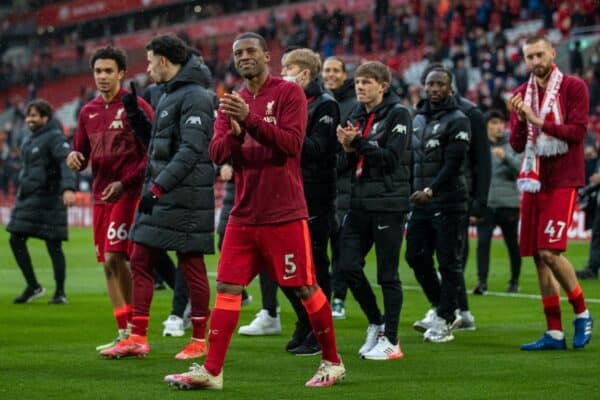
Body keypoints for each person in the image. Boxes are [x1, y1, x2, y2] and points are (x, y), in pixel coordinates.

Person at [164, 32, 345, 390]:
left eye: (251, 51)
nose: (244, 57)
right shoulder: (232, 102)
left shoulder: (289, 93)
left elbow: (292, 146)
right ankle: (213, 371)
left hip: (284, 212)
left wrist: (249, 122)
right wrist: (233, 132)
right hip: (244, 213)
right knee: (228, 286)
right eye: (238, 53)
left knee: (306, 287)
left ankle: (332, 361)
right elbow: (216, 154)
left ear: (266, 56)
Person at [98, 35, 215, 360]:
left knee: (191, 263)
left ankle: (200, 339)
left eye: (150, 61)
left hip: (187, 195)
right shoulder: (169, 94)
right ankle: (137, 337)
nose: (147, 68)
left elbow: (192, 150)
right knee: (139, 259)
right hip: (164, 191)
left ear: (164, 61)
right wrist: (137, 118)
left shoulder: (197, 96)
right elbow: (160, 146)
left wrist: (157, 187)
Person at [66, 46, 154, 351]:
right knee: (107, 263)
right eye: (98, 71)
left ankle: (136, 332)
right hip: (101, 195)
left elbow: (153, 152)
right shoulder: (87, 111)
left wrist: (125, 182)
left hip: (129, 193)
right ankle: (123, 332)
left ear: (121, 73)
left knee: (117, 257)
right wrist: (74, 157)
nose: (102, 77)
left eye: (108, 71)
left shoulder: (135, 105)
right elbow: (80, 151)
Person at [509, 35, 593, 350]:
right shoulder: (520, 94)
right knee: (538, 259)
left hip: (563, 178)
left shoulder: (573, 87)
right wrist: (520, 120)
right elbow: (517, 144)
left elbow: (578, 131)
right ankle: (554, 332)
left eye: (539, 54)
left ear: (552, 53)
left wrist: (537, 120)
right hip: (533, 180)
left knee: (549, 252)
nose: (535, 61)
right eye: (529, 57)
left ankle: (582, 313)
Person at [336, 61, 412, 359]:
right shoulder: (355, 114)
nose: (360, 87)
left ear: (383, 85)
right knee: (347, 266)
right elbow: (344, 166)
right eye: (357, 82)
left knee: (387, 275)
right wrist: (346, 149)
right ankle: (376, 322)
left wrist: (359, 142)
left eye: (367, 82)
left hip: (388, 203)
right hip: (358, 203)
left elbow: (391, 159)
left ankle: (392, 341)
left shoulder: (399, 113)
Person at [279, 48, 340, 355]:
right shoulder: (288, 102)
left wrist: (281, 133)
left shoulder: (325, 105)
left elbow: (316, 148)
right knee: (281, 268)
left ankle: (318, 332)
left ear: (303, 73)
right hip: (288, 193)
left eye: (287, 68)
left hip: (315, 195)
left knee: (315, 266)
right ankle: (305, 320)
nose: (281, 73)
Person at [405, 66, 471, 343]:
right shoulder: (417, 118)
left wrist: (430, 190)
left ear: (449, 87)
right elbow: (411, 159)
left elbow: (453, 163)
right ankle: (442, 306)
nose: (434, 89)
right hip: (421, 201)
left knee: (448, 262)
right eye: (430, 84)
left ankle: (444, 319)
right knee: (415, 256)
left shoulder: (459, 119)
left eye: (440, 84)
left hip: (448, 200)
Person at [8, 99, 77, 304]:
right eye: (28, 115)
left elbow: (67, 162)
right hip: (29, 198)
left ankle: (60, 293)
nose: (30, 119)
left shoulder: (55, 138)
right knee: (15, 239)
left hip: (50, 199)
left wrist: (68, 188)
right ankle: (33, 285)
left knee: (53, 245)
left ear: (45, 118)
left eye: (34, 115)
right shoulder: (29, 140)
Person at [322, 56, 360, 320]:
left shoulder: (354, 106)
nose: (331, 74)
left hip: (344, 184)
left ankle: (339, 298)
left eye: (336, 70)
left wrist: (330, 166)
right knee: (318, 245)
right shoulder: (318, 101)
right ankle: (323, 296)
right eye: (327, 70)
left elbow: (352, 147)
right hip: (321, 184)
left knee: (340, 245)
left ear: (345, 75)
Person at [474, 110, 522, 294]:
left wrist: (506, 157)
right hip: (486, 204)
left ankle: (514, 281)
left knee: (512, 244)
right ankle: (482, 282)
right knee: (482, 243)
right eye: (493, 123)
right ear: (486, 126)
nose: (498, 126)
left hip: (508, 203)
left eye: (501, 123)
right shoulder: (479, 147)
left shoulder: (513, 145)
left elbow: (521, 170)